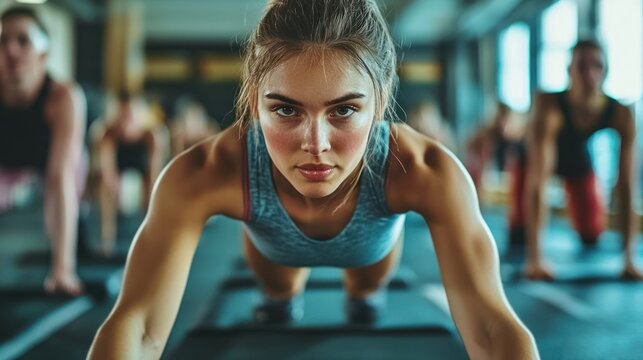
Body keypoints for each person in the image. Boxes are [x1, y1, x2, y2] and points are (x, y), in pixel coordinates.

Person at [88, 1, 539, 358]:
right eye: (285, 109)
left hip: (372, 254)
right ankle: (283, 298)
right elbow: (140, 324)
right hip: (272, 251)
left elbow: (491, 326)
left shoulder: (425, 171)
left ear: (379, 103)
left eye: (343, 110)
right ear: (255, 102)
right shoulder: (207, 172)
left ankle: (361, 296)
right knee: (279, 290)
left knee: (365, 293)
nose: (316, 144)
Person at [520, 39, 642, 280]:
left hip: (577, 160)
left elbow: (626, 184)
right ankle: (528, 247)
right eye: (581, 66)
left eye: (597, 66)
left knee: (591, 235)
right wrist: (535, 259)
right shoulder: (549, 106)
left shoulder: (621, 113)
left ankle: (620, 251)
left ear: (606, 72)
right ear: (569, 71)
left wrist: (629, 259)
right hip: (534, 160)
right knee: (516, 231)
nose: (590, 74)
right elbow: (538, 183)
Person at [0, 6, 87, 296]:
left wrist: (62, 270)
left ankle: (66, 256)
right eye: (3, 41)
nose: (11, 49)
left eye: (23, 41)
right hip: (8, 163)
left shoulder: (63, 98)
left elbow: (59, 178)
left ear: (43, 55)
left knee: (61, 183)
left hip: (56, 162)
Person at [92, 91, 168, 256]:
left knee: (153, 187)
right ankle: (106, 240)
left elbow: (154, 173)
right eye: (121, 118)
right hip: (119, 160)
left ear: (139, 117)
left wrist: (145, 199)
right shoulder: (105, 133)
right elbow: (107, 173)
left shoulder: (153, 134)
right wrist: (114, 190)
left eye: (130, 118)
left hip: (142, 163)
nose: (125, 125)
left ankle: (152, 235)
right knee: (104, 186)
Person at [465, 101, 526, 201]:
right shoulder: (486, 138)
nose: (504, 125)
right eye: (501, 120)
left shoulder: (517, 139)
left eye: (506, 121)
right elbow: (478, 168)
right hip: (481, 188)